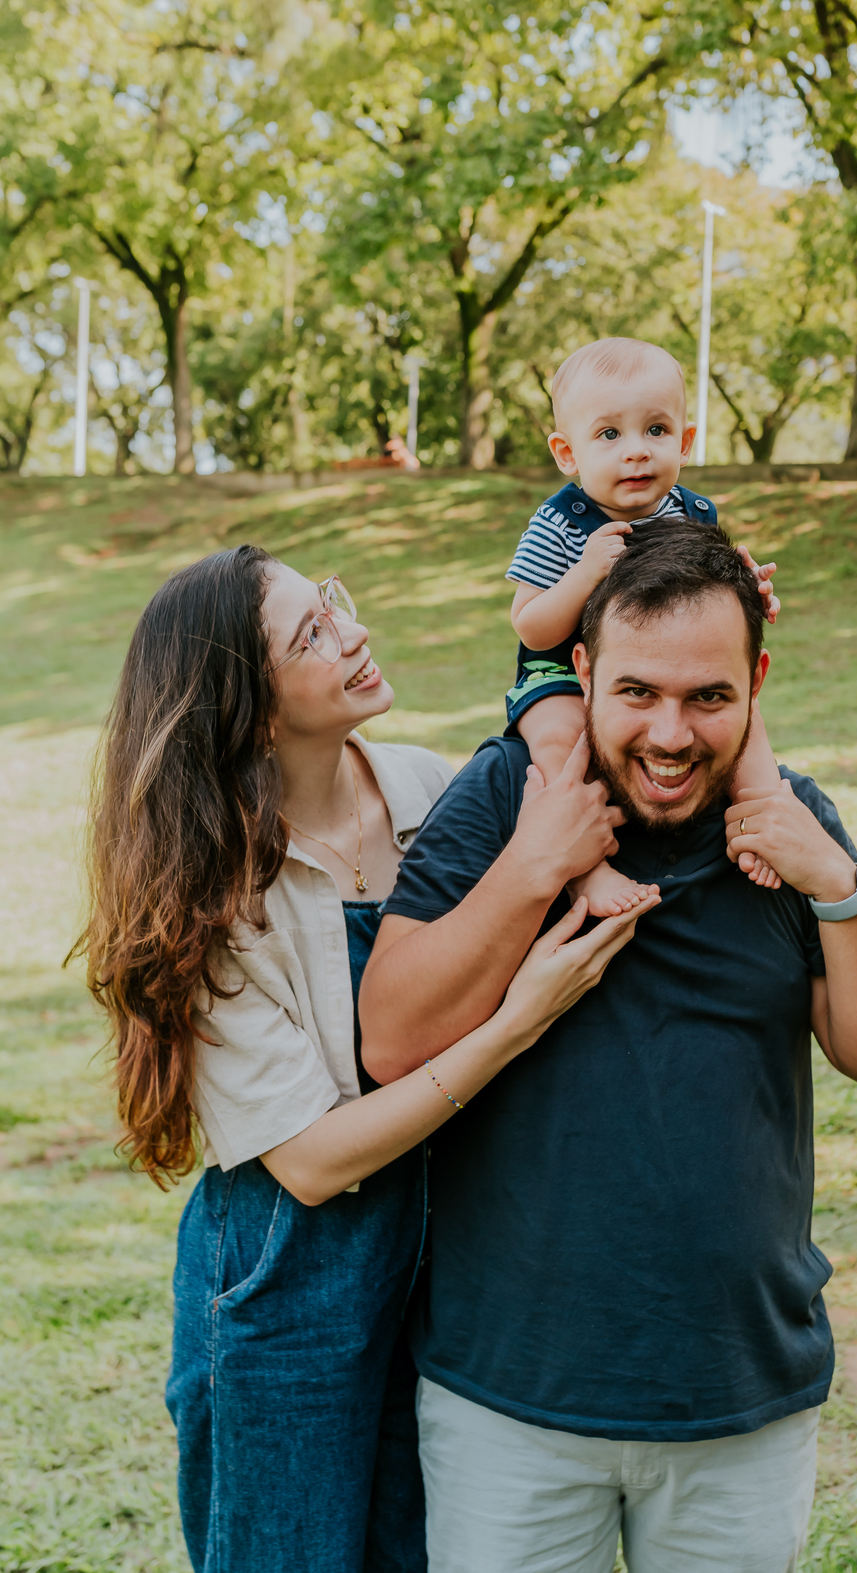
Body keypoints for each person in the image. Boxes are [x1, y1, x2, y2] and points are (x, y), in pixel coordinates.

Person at [360, 518, 857, 1573]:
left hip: (738, 1398)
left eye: (709, 697)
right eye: (637, 692)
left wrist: (839, 888)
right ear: (580, 670)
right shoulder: (503, 798)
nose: (670, 735)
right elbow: (393, 1039)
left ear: (757, 681)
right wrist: (536, 866)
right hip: (510, 1402)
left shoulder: (788, 821)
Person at [78, 544, 655, 1573]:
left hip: (457, 1267)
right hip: (287, 1283)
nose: (355, 632)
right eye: (312, 633)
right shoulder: (209, 893)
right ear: (250, 710)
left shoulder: (437, 793)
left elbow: (608, 739)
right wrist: (511, 1023)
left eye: (333, 601)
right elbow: (311, 1161)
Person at [505, 335, 784, 916]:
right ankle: (583, 866)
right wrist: (584, 575)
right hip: (557, 672)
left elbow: (713, 591)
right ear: (567, 453)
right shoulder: (559, 523)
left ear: (684, 442)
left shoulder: (692, 512)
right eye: (609, 435)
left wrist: (752, 592)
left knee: (745, 719)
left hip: (666, 674)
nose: (635, 451)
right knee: (559, 743)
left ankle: (765, 817)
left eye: (655, 431)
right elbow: (531, 626)